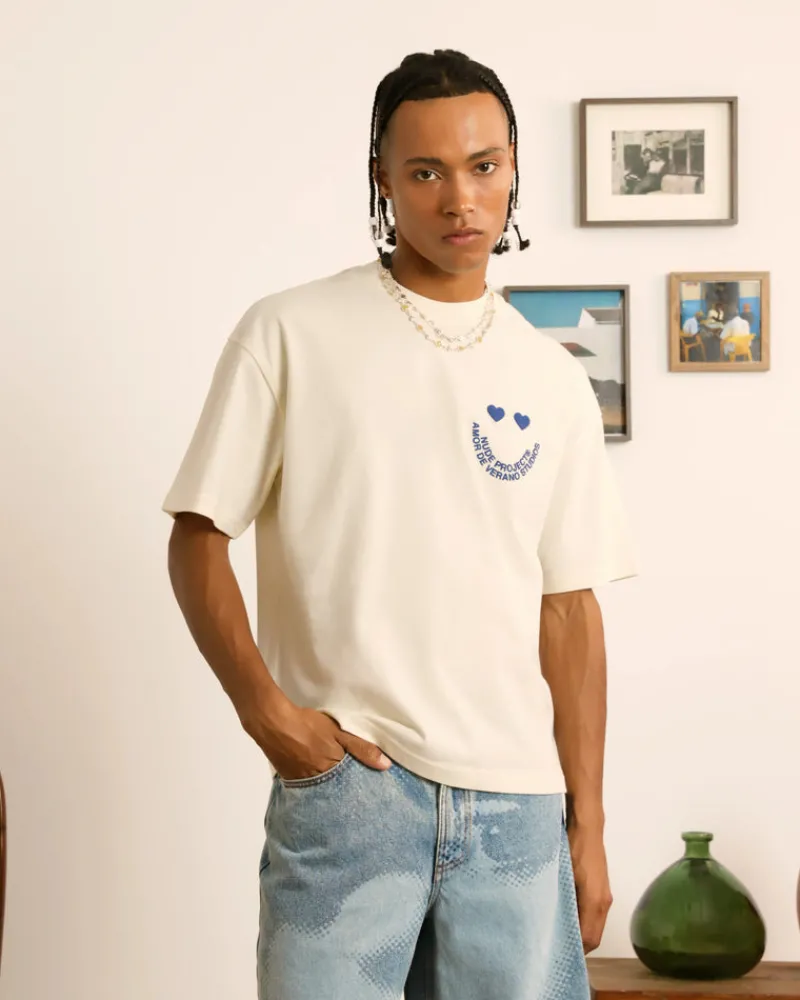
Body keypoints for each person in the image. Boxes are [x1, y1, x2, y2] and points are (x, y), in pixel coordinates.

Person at [163, 49, 636, 1000]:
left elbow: (569, 608)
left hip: (517, 808)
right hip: (353, 792)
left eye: (484, 166)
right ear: (382, 178)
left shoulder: (552, 378)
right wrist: (270, 717)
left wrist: (587, 824)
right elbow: (198, 534)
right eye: (426, 172)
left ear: (513, 167)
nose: (461, 199)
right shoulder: (290, 332)